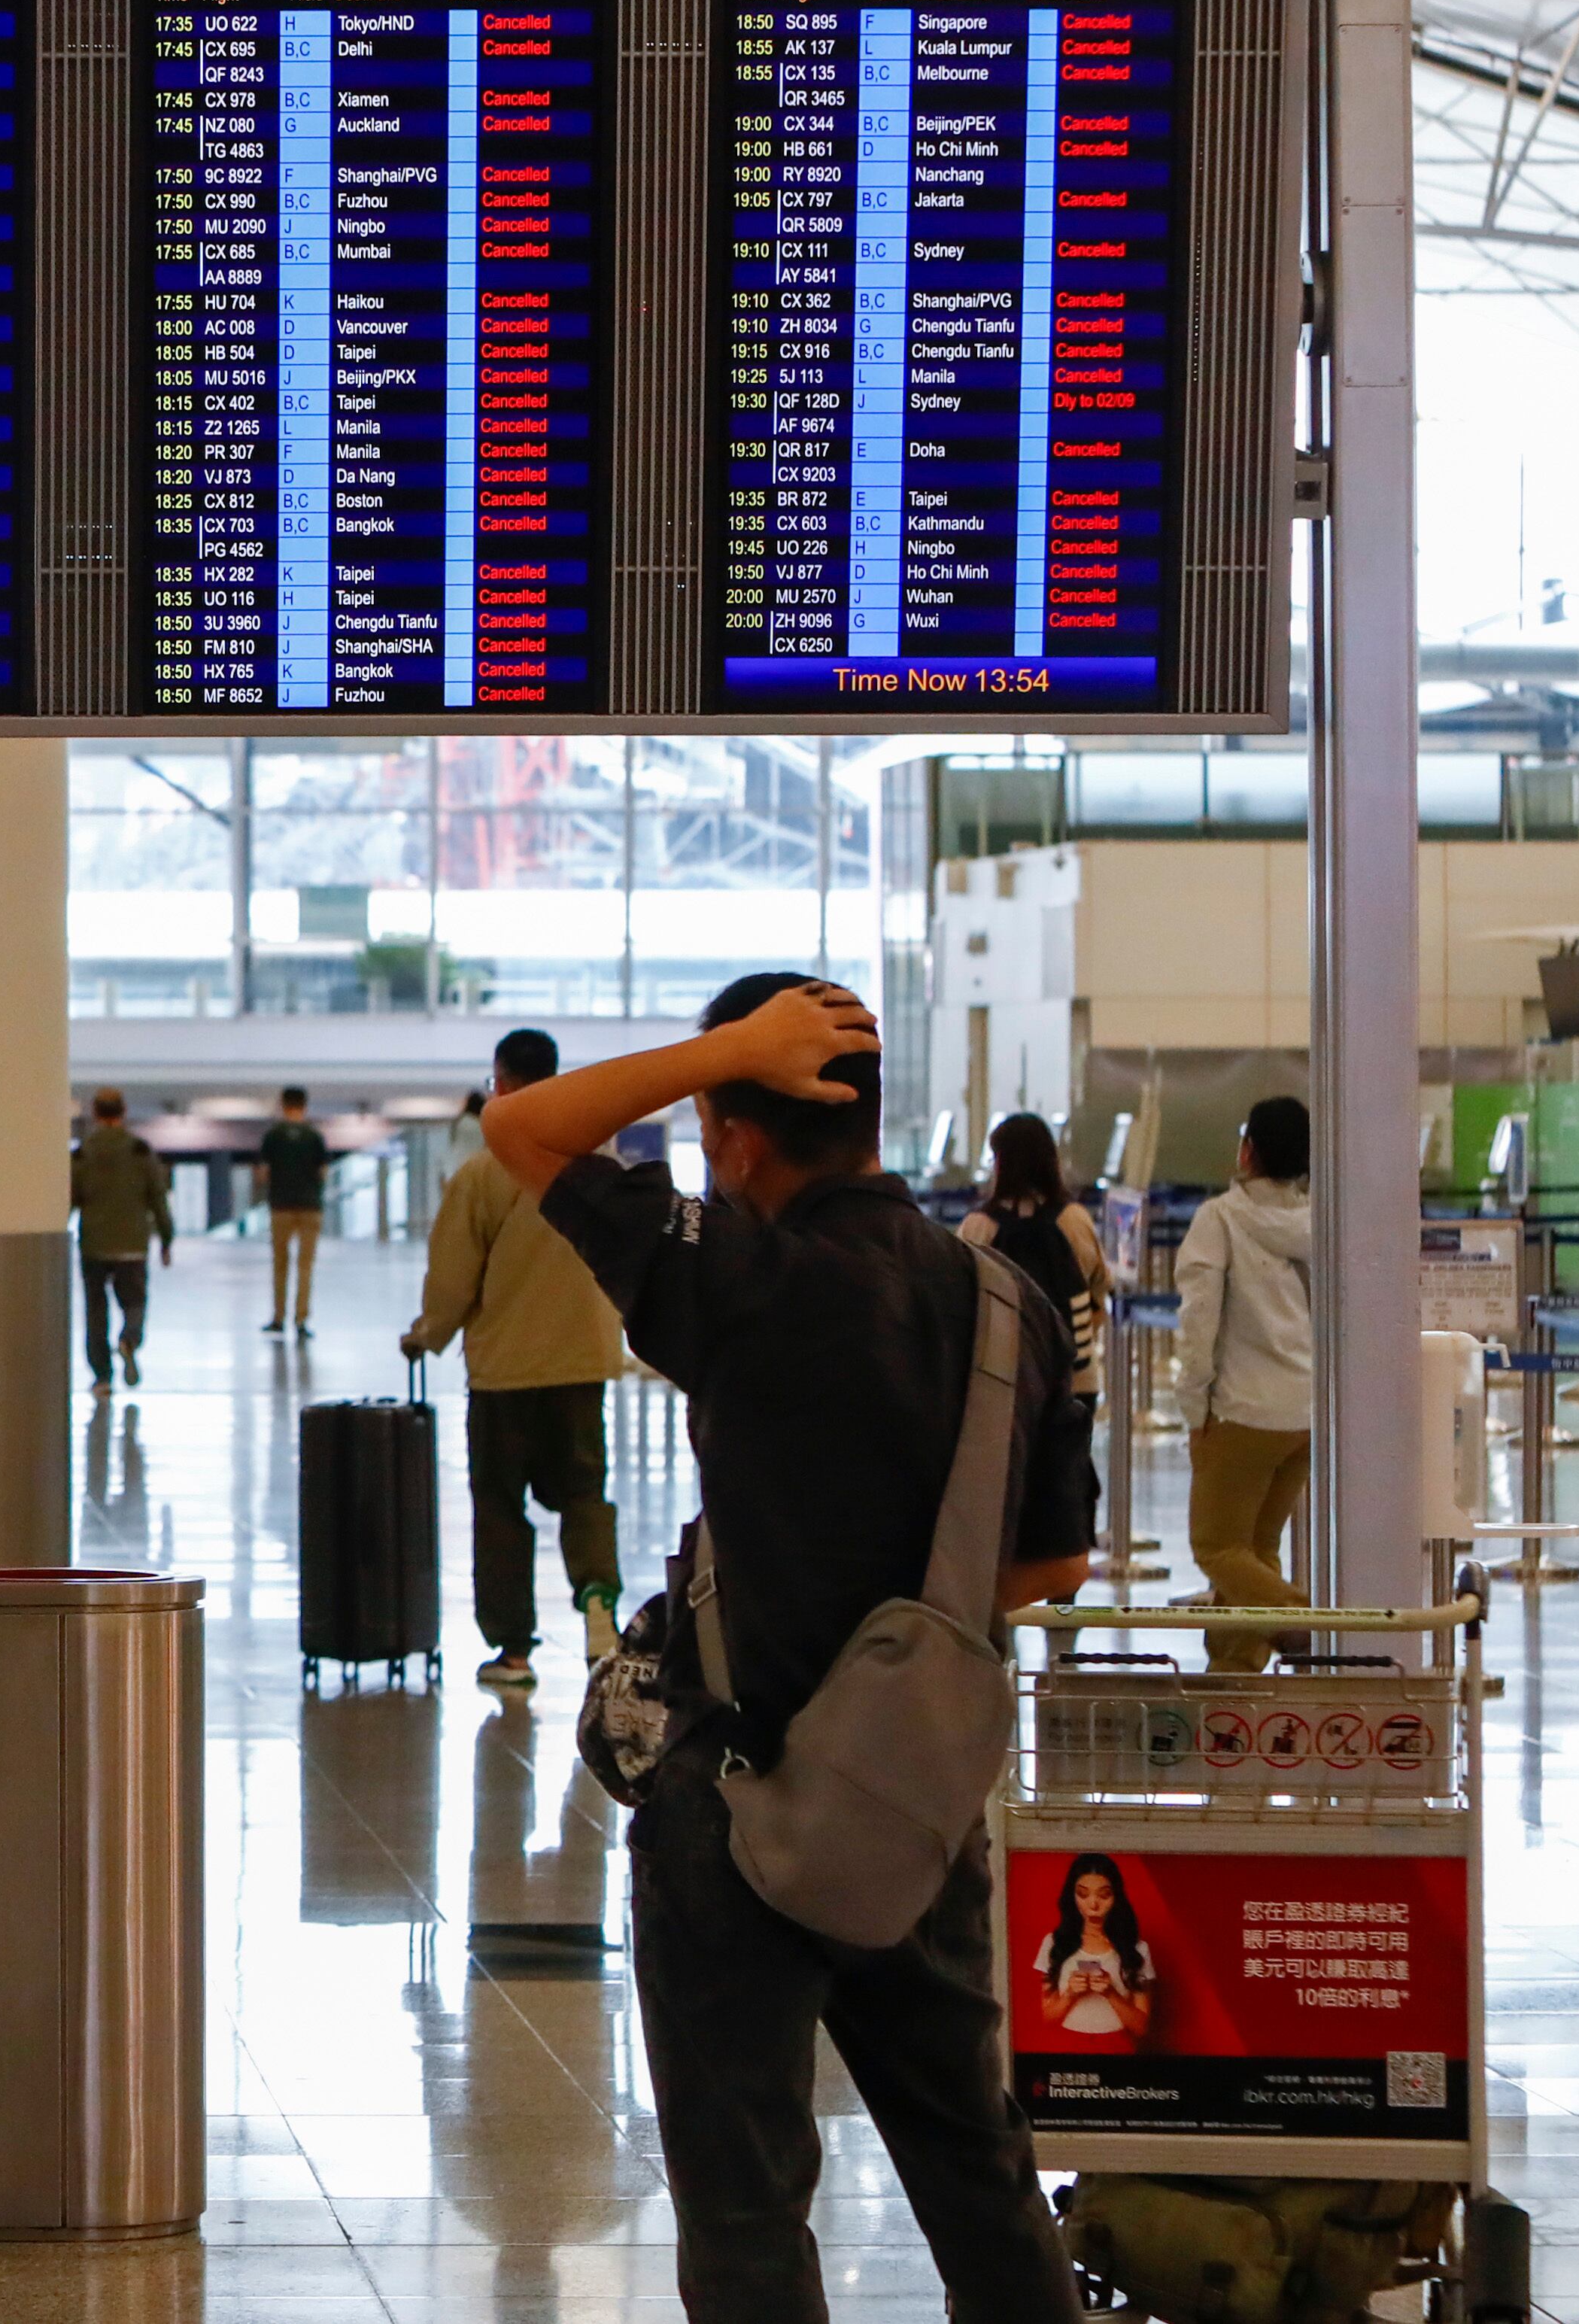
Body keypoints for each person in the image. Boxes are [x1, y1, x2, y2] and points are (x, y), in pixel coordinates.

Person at [483, 972, 1094, 2324]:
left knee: (749, 2201)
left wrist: (723, 1052)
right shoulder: (1006, 1303)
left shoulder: (742, 1275)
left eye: (716, 1123)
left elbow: (524, 1131)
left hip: (738, 1807)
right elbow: (1054, 1562)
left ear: (736, 1134)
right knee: (978, 2171)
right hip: (916, 1811)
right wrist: (903, 1594)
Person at [404, 1027, 626, 1692]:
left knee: (501, 1507)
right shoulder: (596, 1163)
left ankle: (514, 1653)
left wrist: (426, 1334)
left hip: (505, 1373)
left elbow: (453, 1278)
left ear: (500, 1081)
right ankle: (597, 1608)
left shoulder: (485, 1172)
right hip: (583, 1364)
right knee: (584, 1492)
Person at [1174, 1095, 1315, 1674]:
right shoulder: (1319, 1222)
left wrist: (1194, 1405)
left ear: (1248, 1149)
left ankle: (1300, 1617)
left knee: (1216, 1546)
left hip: (1241, 1414)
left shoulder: (1221, 1219)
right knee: (1256, 1550)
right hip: (1305, 1414)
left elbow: (1199, 1319)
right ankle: (1233, 1684)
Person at [960, 1113, 1109, 1401]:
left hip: (1001, 1380)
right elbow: (1100, 1291)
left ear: (1001, 1164)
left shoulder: (977, 1228)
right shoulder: (1075, 1220)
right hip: (1075, 1379)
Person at [70, 1088, 173, 1390]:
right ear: (123, 1112)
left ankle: (102, 1376)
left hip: (93, 1245)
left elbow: (70, 1199)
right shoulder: (140, 1151)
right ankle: (129, 1339)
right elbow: (158, 1198)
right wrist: (167, 1238)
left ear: (95, 1112)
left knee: (96, 1309)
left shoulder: (83, 1152)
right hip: (132, 1245)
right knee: (135, 1301)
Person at [1033, 1853, 1157, 2050]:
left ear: (1116, 1897)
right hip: (1066, 2048)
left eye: (1104, 1895)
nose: (1093, 1905)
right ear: (1072, 1896)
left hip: (1117, 2047)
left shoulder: (1136, 1949)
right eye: (1083, 1894)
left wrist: (1111, 1994)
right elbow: (1047, 2018)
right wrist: (1070, 1994)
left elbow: (1141, 2027)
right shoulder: (1054, 1943)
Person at [257, 1087, 333, 1338]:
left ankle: (278, 1318)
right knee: (305, 1265)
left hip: (281, 1206)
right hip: (310, 1207)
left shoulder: (273, 1136)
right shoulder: (314, 1137)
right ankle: (301, 1320)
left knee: (280, 1264)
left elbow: (263, 1173)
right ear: (304, 1105)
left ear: (283, 1104)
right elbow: (323, 1172)